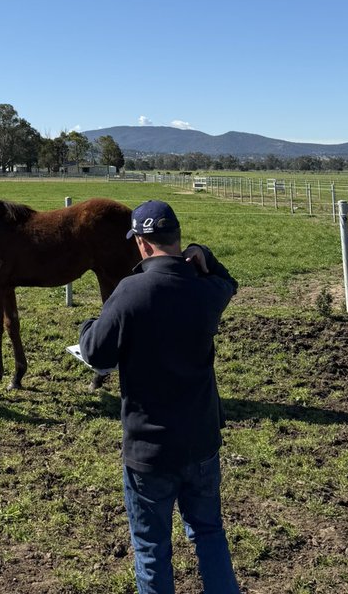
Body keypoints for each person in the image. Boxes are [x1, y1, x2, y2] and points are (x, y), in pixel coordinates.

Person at [79, 199, 240, 594]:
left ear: (142, 243)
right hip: (201, 440)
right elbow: (229, 282)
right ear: (177, 238)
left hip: (149, 448)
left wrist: (88, 324)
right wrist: (204, 256)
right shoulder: (206, 290)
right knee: (209, 532)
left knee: (151, 547)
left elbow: (96, 354)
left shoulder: (130, 291)